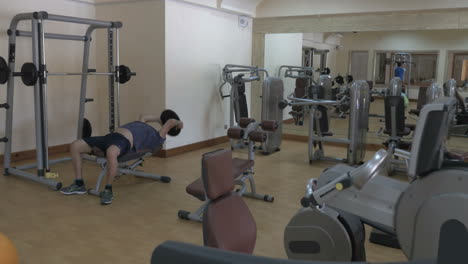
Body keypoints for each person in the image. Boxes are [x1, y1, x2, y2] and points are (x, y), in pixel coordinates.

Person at [60, 113, 183, 205]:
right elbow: (144, 116)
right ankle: (79, 183)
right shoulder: (142, 124)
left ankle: (108, 190)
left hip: (123, 141)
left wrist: (179, 123)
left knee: (111, 152)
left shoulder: (157, 138)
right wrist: (161, 118)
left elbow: (171, 121)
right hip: (109, 137)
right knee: (75, 145)